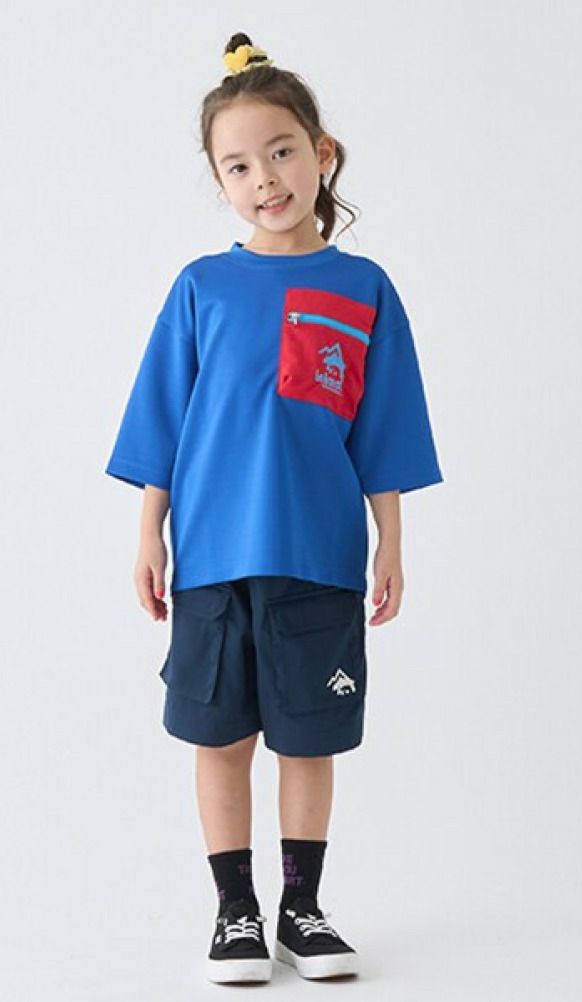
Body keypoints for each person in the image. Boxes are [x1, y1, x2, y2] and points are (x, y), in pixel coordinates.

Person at [104, 33, 446, 984]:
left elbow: (385, 429)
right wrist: (148, 535)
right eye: (240, 165)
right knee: (220, 738)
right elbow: (162, 419)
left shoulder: (364, 288)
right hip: (212, 559)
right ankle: (235, 915)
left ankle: (302, 908)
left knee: (308, 740)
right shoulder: (201, 288)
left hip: (319, 557)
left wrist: (390, 543)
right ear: (220, 180)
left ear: (321, 153)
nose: (266, 178)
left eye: (283, 151)